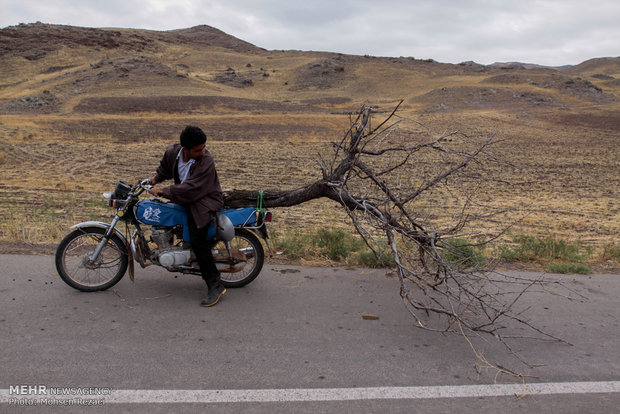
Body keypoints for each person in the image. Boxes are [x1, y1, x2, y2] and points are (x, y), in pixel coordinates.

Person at [149, 125, 226, 307]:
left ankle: (215, 285)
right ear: (185, 149)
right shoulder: (172, 152)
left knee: (198, 240)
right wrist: (154, 180)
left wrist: (164, 191)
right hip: (185, 198)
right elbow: (165, 170)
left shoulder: (206, 160)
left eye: (203, 148)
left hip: (204, 200)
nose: (202, 152)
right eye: (198, 149)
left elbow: (191, 188)